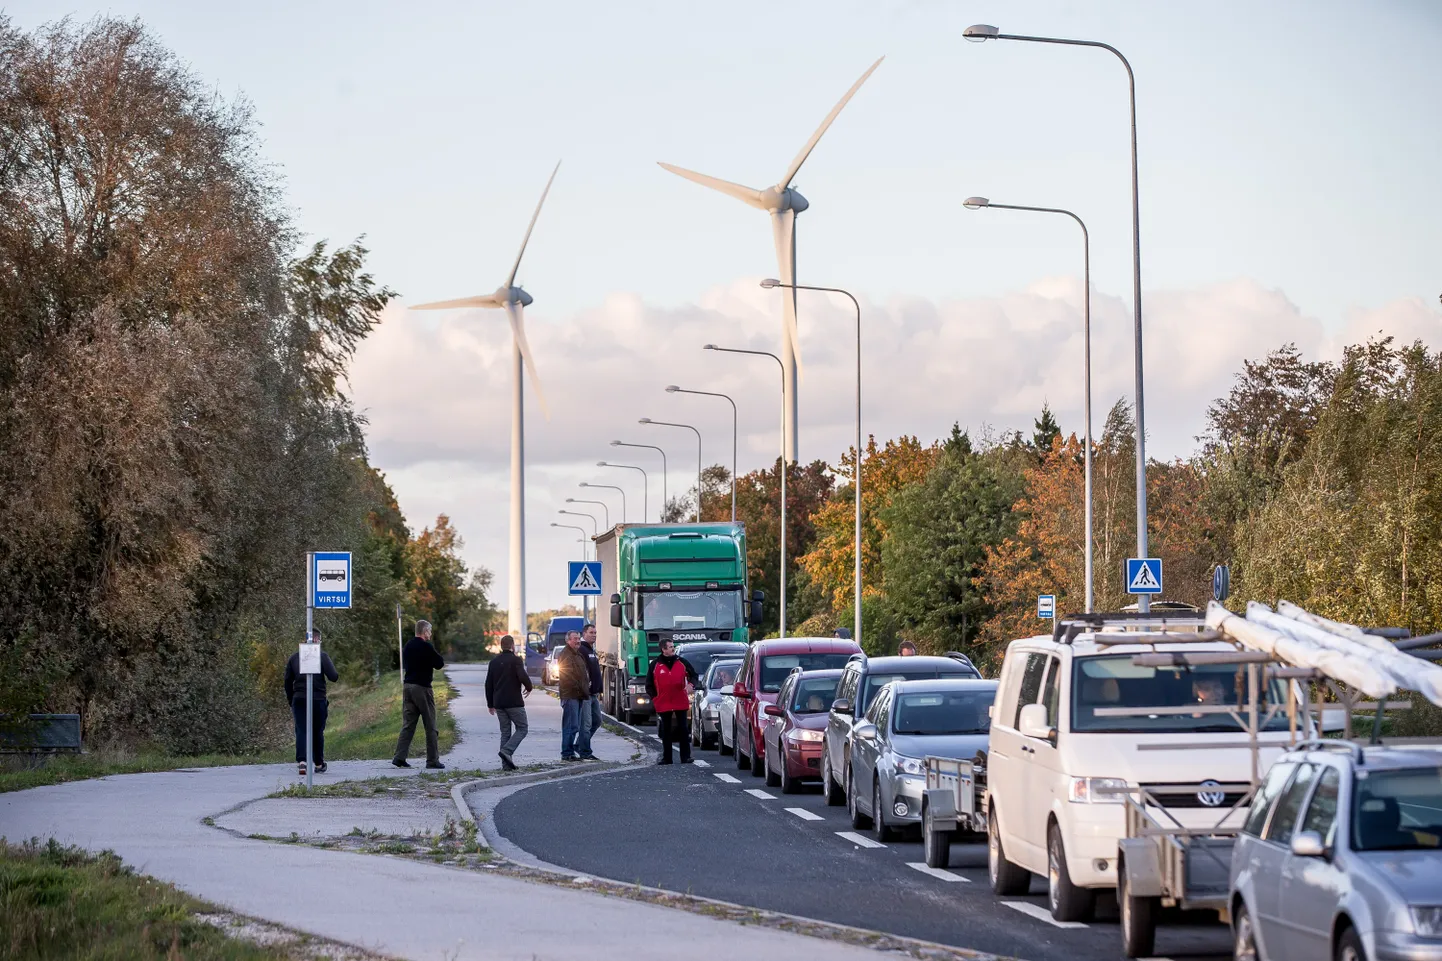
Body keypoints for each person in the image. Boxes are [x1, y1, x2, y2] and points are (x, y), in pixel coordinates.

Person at [284, 628, 339, 777]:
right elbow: (333, 676)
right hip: (318, 699)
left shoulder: (295, 658)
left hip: (299, 699)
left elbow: (287, 681)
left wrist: (291, 699)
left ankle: (302, 762)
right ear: (317, 640)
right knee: (317, 731)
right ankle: (319, 763)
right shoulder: (322, 656)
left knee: (301, 729)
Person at [392, 619, 446, 770]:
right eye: (429, 631)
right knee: (430, 725)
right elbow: (439, 663)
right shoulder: (426, 646)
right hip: (422, 688)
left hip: (407, 687)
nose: (430, 633)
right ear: (424, 631)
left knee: (408, 724)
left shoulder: (408, 645)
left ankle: (399, 757)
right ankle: (432, 760)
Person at [646, 637, 699, 765]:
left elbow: (694, 675)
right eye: (670, 647)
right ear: (663, 649)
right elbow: (648, 684)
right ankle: (667, 758)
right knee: (666, 730)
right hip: (663, 701)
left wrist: (691, 685)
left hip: (680, 700)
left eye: (673, 646)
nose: (673, 648)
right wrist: (655, 697)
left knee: (683, 729)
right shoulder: (655, 664)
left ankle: (685, 757)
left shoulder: (681, 662)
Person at [485, 634, 533, 770]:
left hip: (499, 703)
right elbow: (522, 676)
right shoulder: (516, 660)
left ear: (501, 646)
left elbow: (488, 684)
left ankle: (506, 765)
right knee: (523, 728)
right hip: (514, 702)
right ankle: (507, 751)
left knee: (505, 732)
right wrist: (529, 687)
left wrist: (490, 704)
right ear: (512, 646)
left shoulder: (493, 662)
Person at [556, 630, 596, 761]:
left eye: (579, 638)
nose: (578, 641)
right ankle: (567, 753)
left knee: (574, 726)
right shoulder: (566, 655)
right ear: (568, 640)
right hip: (571, 695)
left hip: (578, 696)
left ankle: (569, 752)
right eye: (575, 639)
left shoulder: (577, 654)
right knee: (570, 726)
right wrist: (581, 688)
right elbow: (567, 677)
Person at [580, 623, 604, 741]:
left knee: (597, 721)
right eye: (591, 633)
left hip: (594, 694)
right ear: (584, 634)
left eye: (595, 633)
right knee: (586, 724)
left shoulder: (591, 650)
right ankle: (584, 750)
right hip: (586, 694)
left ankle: (580, 745)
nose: (594, 635)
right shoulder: (582, 649)